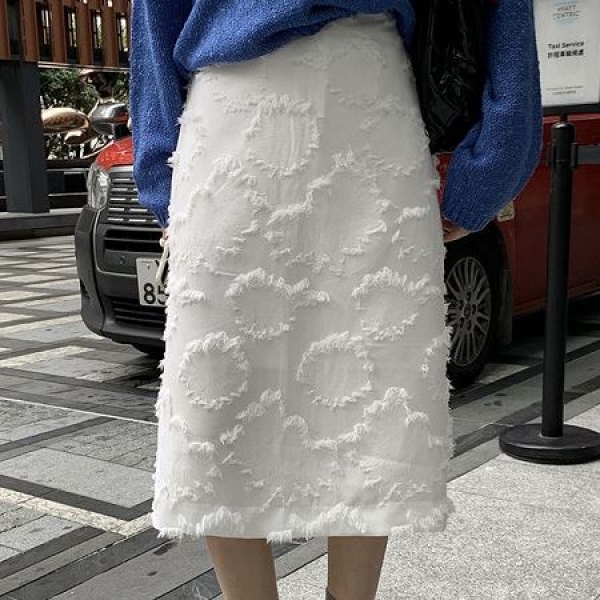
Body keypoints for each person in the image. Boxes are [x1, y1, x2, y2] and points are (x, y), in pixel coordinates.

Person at [129, 2, 542, 599]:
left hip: (352, 120)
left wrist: (496, 160)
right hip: (266, 123)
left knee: (365, 387)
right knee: (221, 391)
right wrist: (161, 179)